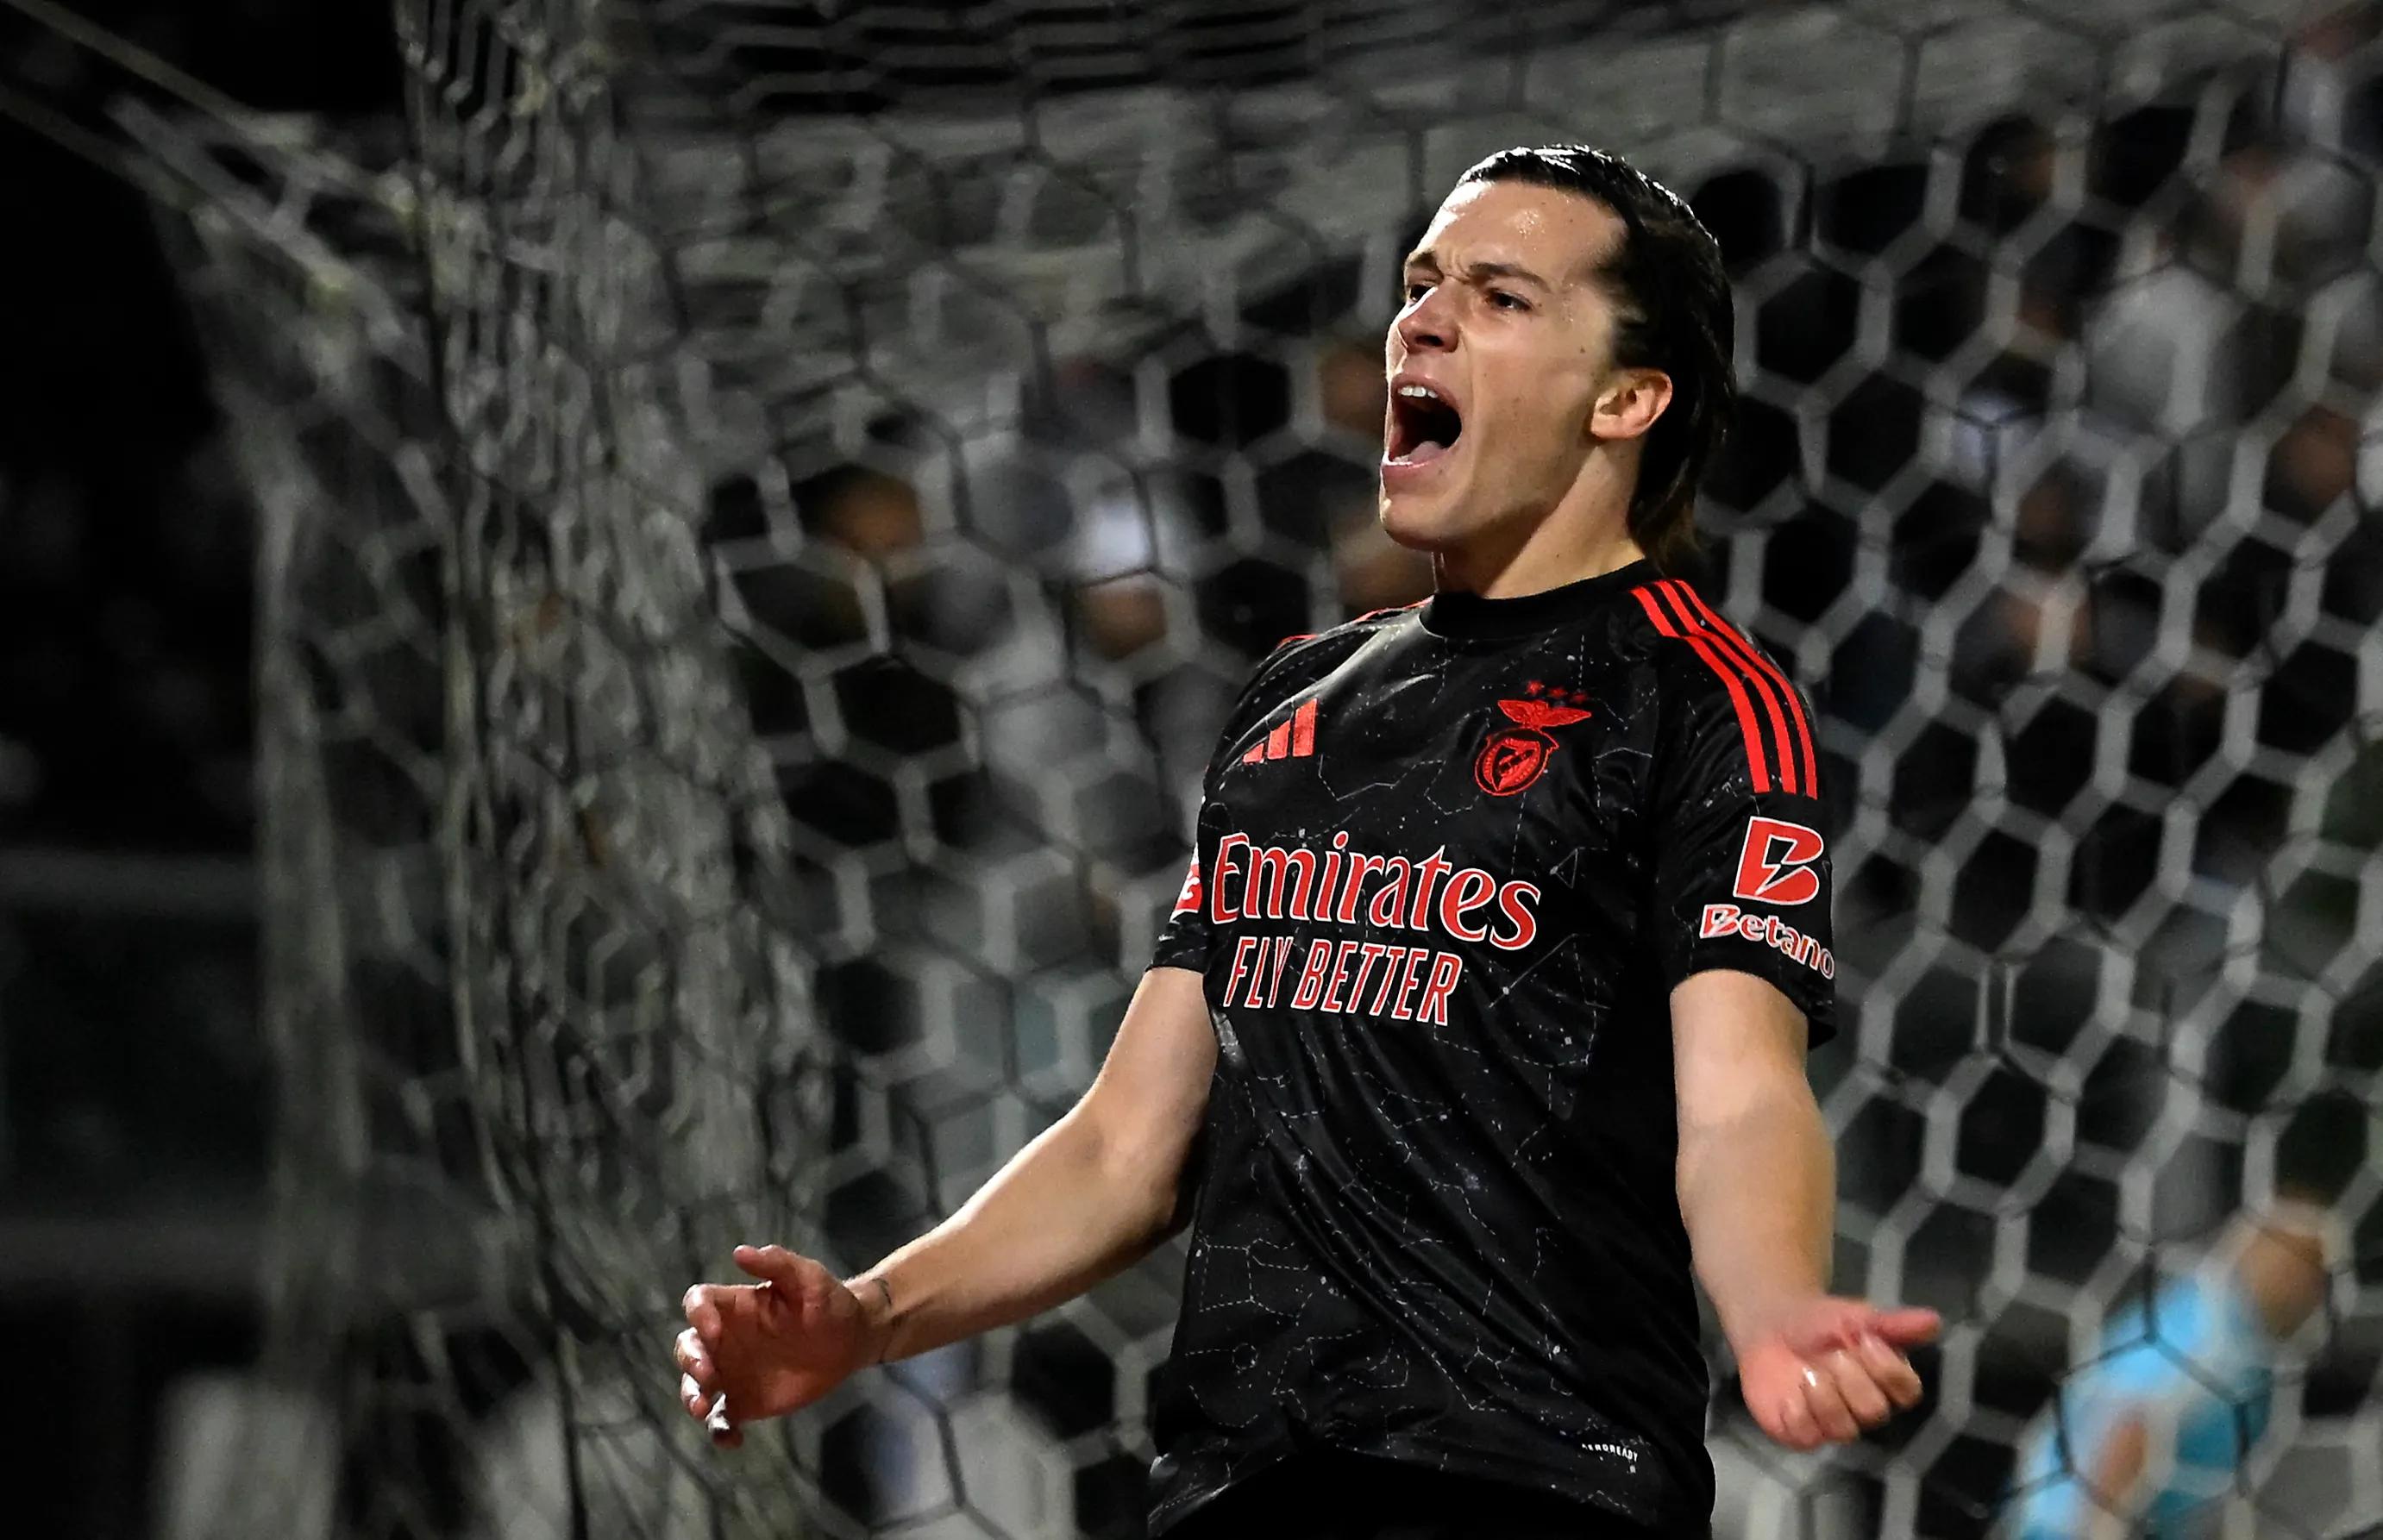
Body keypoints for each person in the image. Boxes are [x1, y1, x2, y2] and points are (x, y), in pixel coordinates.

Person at [673, 143, 1940, 1538]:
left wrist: (1771, 1304)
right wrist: (866, 1316)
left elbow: (1742, 1090)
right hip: (1238, 1486)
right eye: (1422, 283)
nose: (1425, 318)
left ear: (1629, 398)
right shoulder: (1295, 704)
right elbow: (1128, 1144)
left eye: (1502, 295)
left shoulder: (1700, 700)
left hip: (1528, 1480)